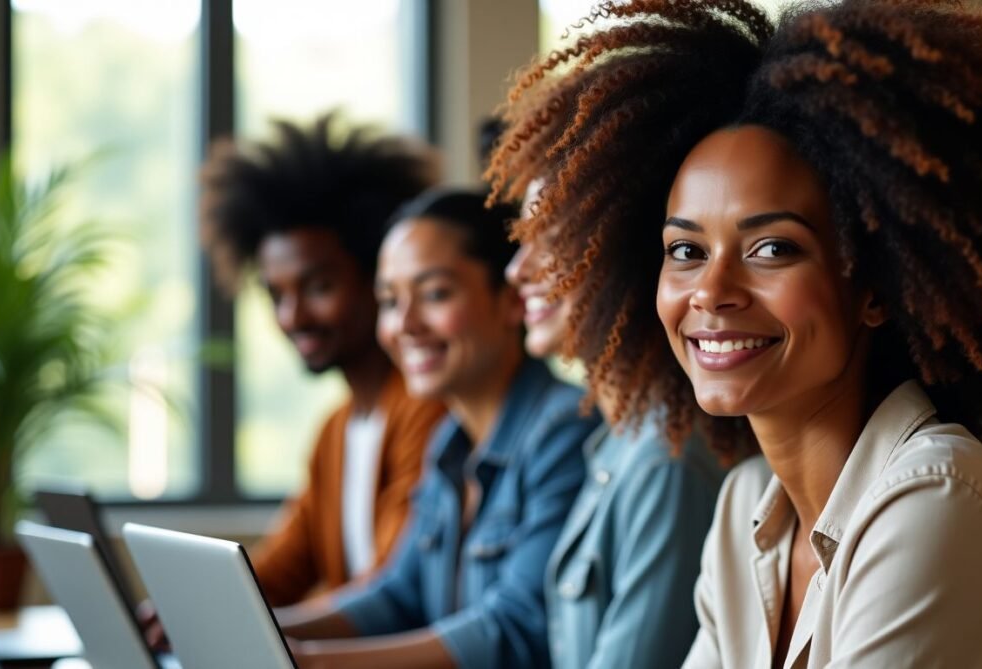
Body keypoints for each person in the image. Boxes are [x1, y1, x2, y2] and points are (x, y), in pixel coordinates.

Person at [487, 0, 982, 666]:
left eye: (771, 249)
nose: (710, 290)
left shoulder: (937, 500)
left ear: (873, 287)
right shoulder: (744, 517)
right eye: (685, 250)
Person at [284, 189, 600, 669]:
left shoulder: (564, 430)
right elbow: (396, 595)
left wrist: (313, 664)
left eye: (434, 294)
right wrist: (269, 630)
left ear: (511, 299)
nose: (405, 324)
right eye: (390, 301)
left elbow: (515, 628)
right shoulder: (448, 442)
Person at [198, 113, 447, 607]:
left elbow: (385, 594)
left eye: (319, 287)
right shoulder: (335, 431)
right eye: (276, 294)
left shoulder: (426, 411)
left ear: (380, 278)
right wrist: (192, 608)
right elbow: (281, 568)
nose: (293, 317)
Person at [503, 176, 728, 669]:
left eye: (553, 240)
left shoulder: (661, 465)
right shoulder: (618, 441)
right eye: (522, 242)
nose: (518, 269)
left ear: (627, 253)